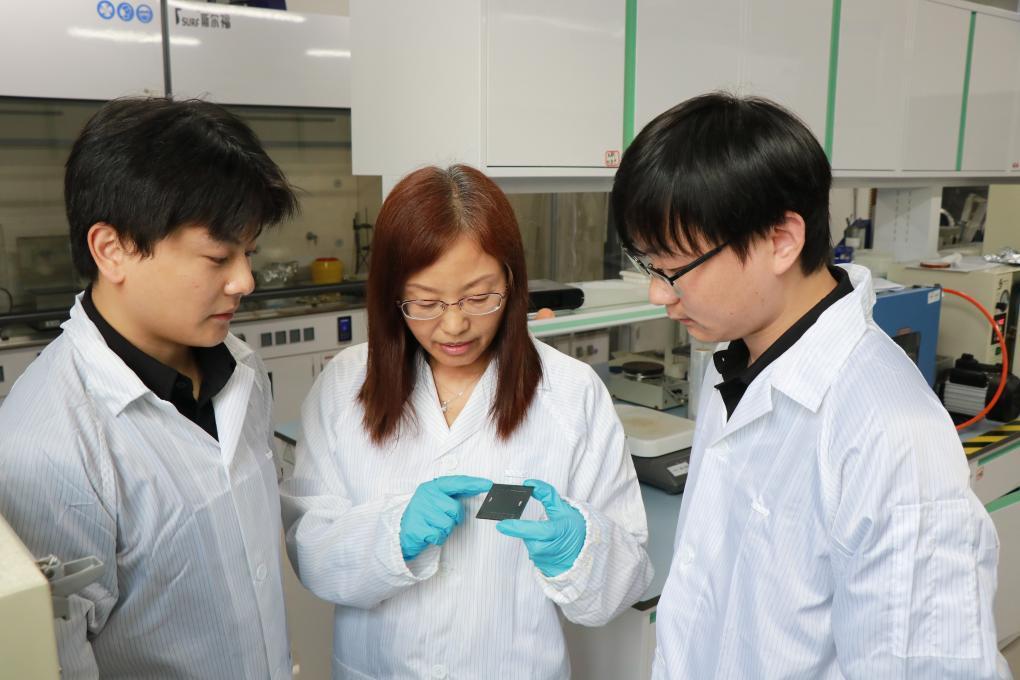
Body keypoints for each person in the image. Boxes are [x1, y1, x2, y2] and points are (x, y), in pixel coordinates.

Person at [610, 91, 1010, 679]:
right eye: (648, 265)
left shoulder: (890, 432)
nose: (657, 293)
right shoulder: (736, 361)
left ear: (781, 241)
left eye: (674, 268)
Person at [281, 164, 652, 679]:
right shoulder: (345, 384)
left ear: (512, 282)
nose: (454, 324)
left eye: (479, 297)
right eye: (425, 302)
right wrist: (390, 534)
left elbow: (626, 579)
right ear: (392, 296)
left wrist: (580, 550)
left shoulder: (571, 393)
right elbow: (309, 550)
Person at [0, 97, 298, 679]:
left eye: (248, 253)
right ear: (112, 250)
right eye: (218, 256)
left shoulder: (236, 367)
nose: (245, 280)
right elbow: (58, 663)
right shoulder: (45, 447)